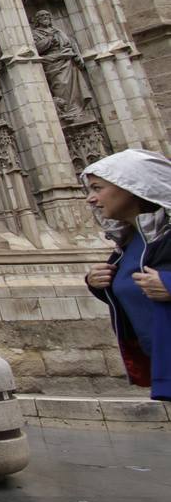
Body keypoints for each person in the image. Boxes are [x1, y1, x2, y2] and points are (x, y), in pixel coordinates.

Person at [82, 149, 171, 402]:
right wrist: (98, 284)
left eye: (97, 188)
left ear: (130, 186)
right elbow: (136, 292)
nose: (91, 198)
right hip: (161, 363)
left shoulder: (166, 236)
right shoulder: (128, 243)